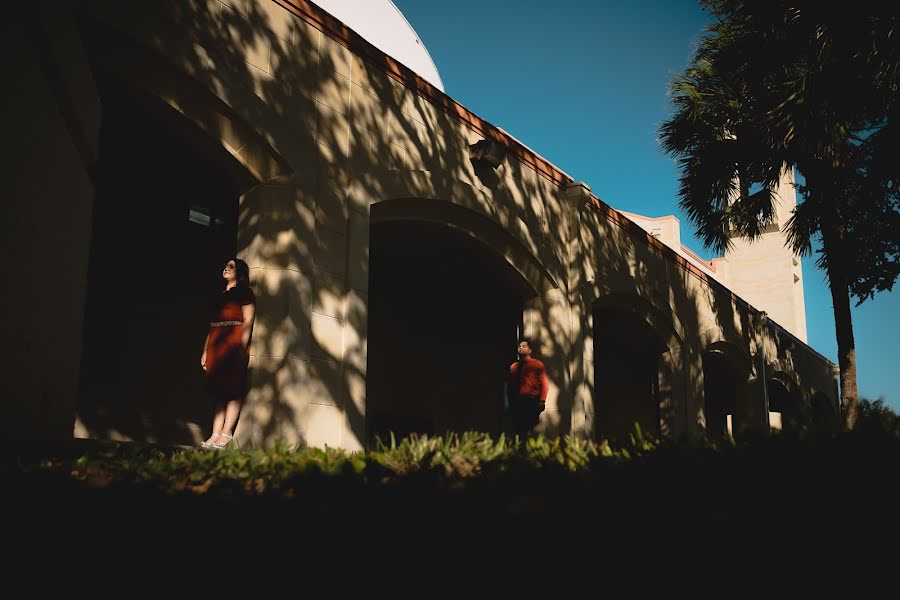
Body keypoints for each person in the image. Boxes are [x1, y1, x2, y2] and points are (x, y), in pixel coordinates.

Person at [200, 258, 256, 449]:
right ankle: (215, 433)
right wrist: (205, 351)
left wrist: (242, 346)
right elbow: (213, 324)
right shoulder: (220, 295)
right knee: (218, 390)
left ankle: (226, 434)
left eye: (231, 266)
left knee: (232, 389)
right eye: (226, 265)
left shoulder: (245, 292)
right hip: (217, 343)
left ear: (239, 272)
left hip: (234, 342)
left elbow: (248, 320)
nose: (226, 267)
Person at [505, 337, 549, 439]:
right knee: (518, 429)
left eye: (524, 346)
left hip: (531, 400)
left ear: (530, 350)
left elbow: (544, 383)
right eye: (519, 346)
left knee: (531, 428)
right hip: (517, 401)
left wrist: (542, 400)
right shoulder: (513, 367)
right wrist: (510, 402)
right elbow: (510, 386)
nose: (521, 348)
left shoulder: (537, 364)